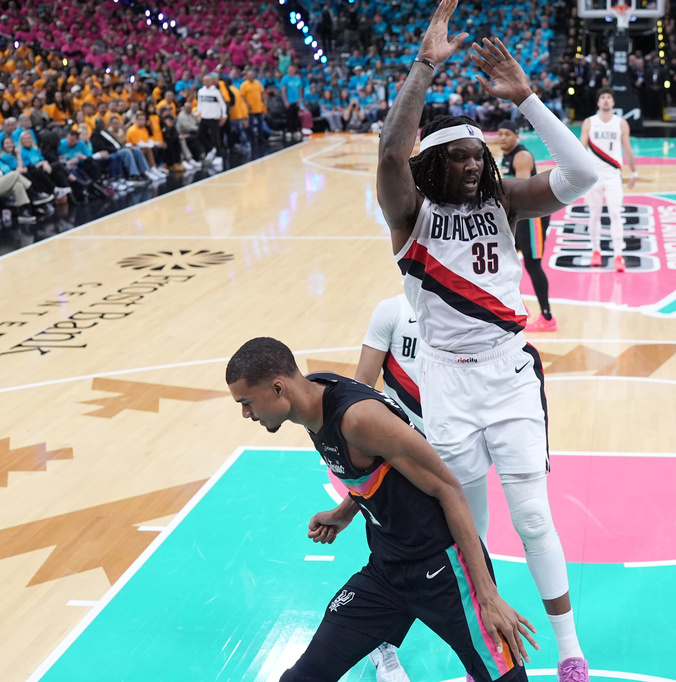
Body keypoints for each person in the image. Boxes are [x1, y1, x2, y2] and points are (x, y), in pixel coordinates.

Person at [375, 2, 597, 678]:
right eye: (462, 158)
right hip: (445, 383)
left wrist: (528, 99)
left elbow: (584, 177)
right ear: (436, 165)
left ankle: (568, 649)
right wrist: (423, 68)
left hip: (507, 373)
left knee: (532, 515)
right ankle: (478, 629)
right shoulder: (409, 212)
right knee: (466, 527)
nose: (475, 166)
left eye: (480, 157)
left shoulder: (503, 204)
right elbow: (390, 151)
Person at [225, 337, 536, 682]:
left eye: (247, 402)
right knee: (304, 677)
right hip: (386, 572)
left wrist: (488, 596)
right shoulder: (310, 403)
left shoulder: (358, 419)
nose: (246, 414)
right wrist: (344, 512)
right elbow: (374, 469)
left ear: (278, 388)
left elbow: (448, 489)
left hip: (443, 571)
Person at [497, 121, 556, 331]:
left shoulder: (522, 156)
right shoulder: (506, 156)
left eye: (507, 134)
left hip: (531, 217)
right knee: (504, 265)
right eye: (500, 134)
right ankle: (520, 308)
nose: (502, 137)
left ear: (516, 136)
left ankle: (548, 318)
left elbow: (520, 192)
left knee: (532, 265)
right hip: (517, 217)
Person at [580, 87, 637, 273]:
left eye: (608, 97)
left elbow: (627, 149)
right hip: (594, 177)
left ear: (613, 102)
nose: (605, 100)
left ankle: (618, 255)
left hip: (613, 176)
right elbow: (580, 149)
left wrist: (634, 172)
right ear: (598, 102)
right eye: (602, 97)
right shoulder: (589, 122)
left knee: (615, 214)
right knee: (594, 215)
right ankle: (596, 251)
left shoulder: (621, 123)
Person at [354, 293, 425, 434]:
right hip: (401, 434)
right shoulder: (393, 309)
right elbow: (363, 384)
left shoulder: (466, 313)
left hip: (452, 434)